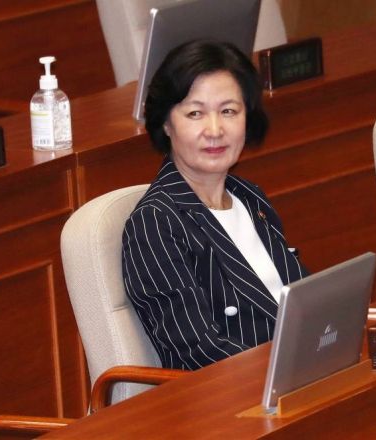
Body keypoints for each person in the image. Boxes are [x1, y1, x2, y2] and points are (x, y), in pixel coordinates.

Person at [122, 40, 307, 370]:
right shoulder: (155, 223)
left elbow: (301, 301)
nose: (215, 130)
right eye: (195, 113)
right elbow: (199, 352)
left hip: (297, 372)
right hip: (236, 392)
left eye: (228, 111)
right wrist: (288, 368)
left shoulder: (250, 197)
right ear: (166, 123)